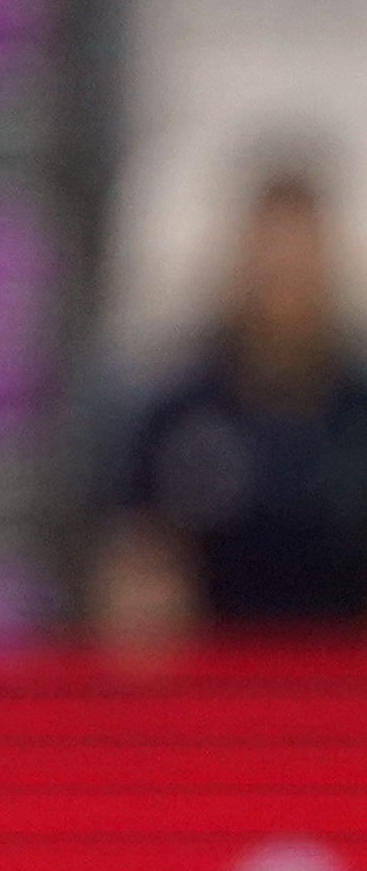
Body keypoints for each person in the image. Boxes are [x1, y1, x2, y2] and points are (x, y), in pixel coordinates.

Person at [100, 157, 367, 644]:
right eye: (271, 258)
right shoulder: (177, 413)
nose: (285, 275)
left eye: (300, 257)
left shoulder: (357, 410)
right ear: (241, 260)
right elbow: (137, 570)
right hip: (210, 690)